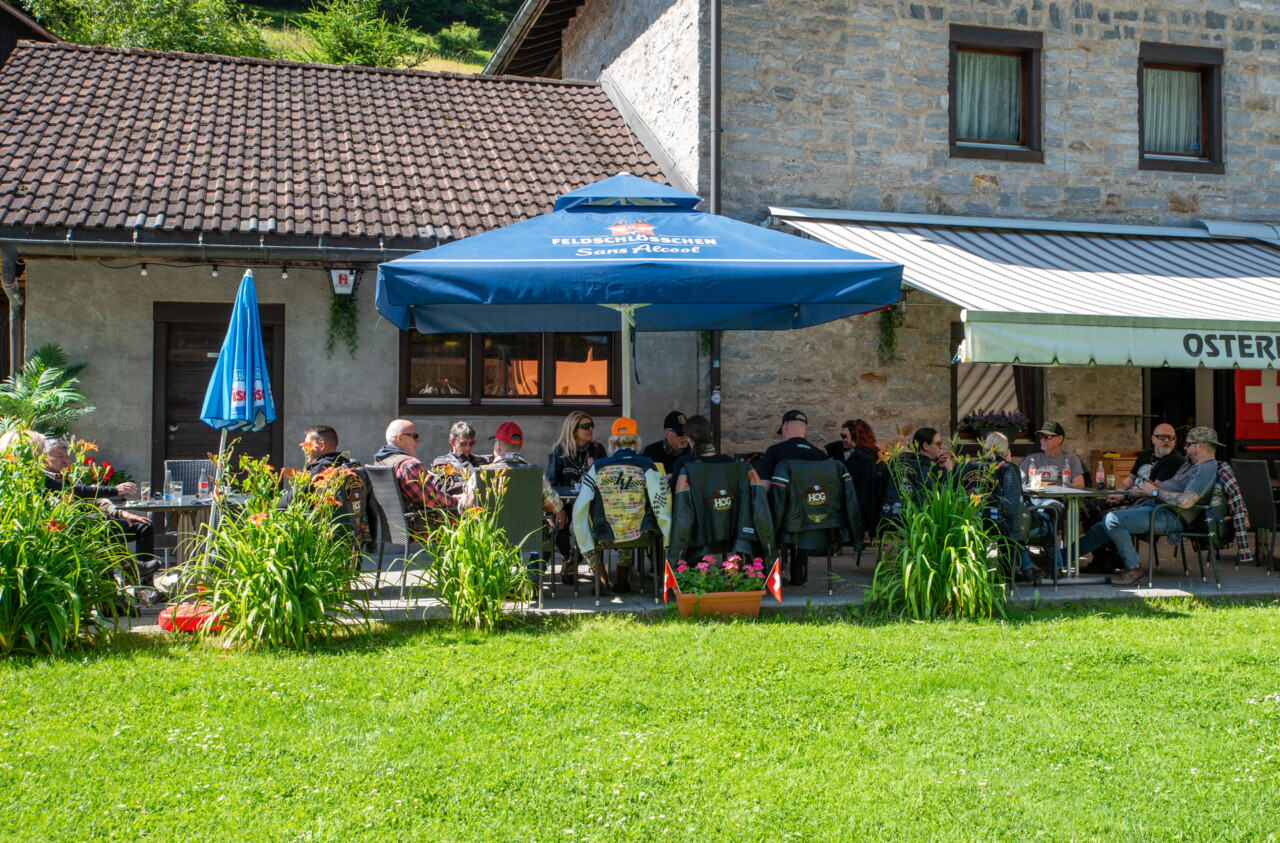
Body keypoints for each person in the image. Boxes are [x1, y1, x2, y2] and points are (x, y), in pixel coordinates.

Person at [1077, 426, 1224, 587]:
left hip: (1169, 516)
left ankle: (1134, 569)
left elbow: (1186, 502)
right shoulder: (1191, 465)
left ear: (1200, 446)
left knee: (1114, 519)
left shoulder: (1206, 468)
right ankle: (1056, 561)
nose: (1185, 447)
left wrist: (1155, 492)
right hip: (1154, 507)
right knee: (1101, 525)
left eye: (1188, 444)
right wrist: (1136, 493)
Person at [572, 417, 671, 594]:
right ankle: (622, 579)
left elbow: (580, 505)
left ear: (612, 443)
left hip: (604, 530)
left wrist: (586, 542)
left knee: (582, 524)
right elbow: (660, 500)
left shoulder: (598, 466)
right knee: (629, 520)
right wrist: (667, 533)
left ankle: (599, 574)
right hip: (641, 531)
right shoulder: (647, 464)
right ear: (636, 442)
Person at [43, 437, 157, 581]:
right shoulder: (44, 479)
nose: (66, 461)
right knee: (103, 526)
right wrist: (115, 490)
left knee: (143, 526)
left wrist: (120, 512)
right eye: (60, 457)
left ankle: (145, 588)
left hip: (91, 526)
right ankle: (128, 571)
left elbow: (94, 497)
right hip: (69, 531)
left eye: (67, 456)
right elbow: (78, 491)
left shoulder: (69, 475)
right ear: (44, 458)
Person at [1079, 422, 1185, 573]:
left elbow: (1151, 490)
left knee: (1107, 516)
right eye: (1161, 437)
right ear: (1153, 439)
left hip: (1146, 504)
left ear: (1175, 440)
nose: (1166, 441)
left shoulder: (1174, 460)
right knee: (1088, 507)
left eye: (1170, 437)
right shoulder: (1145, 455)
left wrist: (1124, 495)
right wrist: (1116, 493)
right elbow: (1129, 479)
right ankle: (1103, 558)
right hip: (1129, 497)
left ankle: (1116, 558)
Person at [460, 420, 567, 528]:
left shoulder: (481, 475)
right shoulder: (536, 475)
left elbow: (464, 507)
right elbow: (556, 505)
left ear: (499, 446)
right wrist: (559, 510)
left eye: (494, 443)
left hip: (491, 542)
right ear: (520, 446)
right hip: (529, 542)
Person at [545, 411, 607, 570]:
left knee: (589, 528)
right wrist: (558, 508)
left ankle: (582, 561)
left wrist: (595, 468)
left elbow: (606, 480)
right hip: (566, 502)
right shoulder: (560, 451)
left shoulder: (597, 449)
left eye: (591, 425)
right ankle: (568, 558)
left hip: (591, 502)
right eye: (585, 426)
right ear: (573, 429)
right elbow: (552, 483)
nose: (590, 429)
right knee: (559, 529)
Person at [373, 419, 457, 530]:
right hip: (420, 526)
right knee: (473, 514)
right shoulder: (409, 465)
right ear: (400, 438)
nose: (418, 442)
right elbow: (431, 500)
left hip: (393, 528)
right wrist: (459, 501)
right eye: (415, 437)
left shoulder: (379, 463)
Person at [756, 409, 828, 487]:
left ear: (785, 425)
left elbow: (763, 486)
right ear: (805, 431)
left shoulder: (774, 451)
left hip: (784, 498)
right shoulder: (820, 454)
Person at [430, 421, 489, 496]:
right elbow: (441, 488)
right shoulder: (442, 462)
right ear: (452, 442)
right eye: (463, 444)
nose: (468, 447)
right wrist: (471, 485)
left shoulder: (481, 460)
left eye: (471, 443)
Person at [1020, 421, 1085, 488]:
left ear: (1060, 439)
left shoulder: (1070, 459)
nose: (1042, 440)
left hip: (1060, 497)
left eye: (1047, 437)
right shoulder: (1031, 459)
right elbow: (1019, 483)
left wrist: (1054, 488)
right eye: (1041, 436)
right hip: (1036, 496)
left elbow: (1079, 484)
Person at [670, 414, 734, 482]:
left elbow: (675, 490)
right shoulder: (728, 461)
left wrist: (670, 479)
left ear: (689, 438)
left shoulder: (683, 462)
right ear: (711, 433)